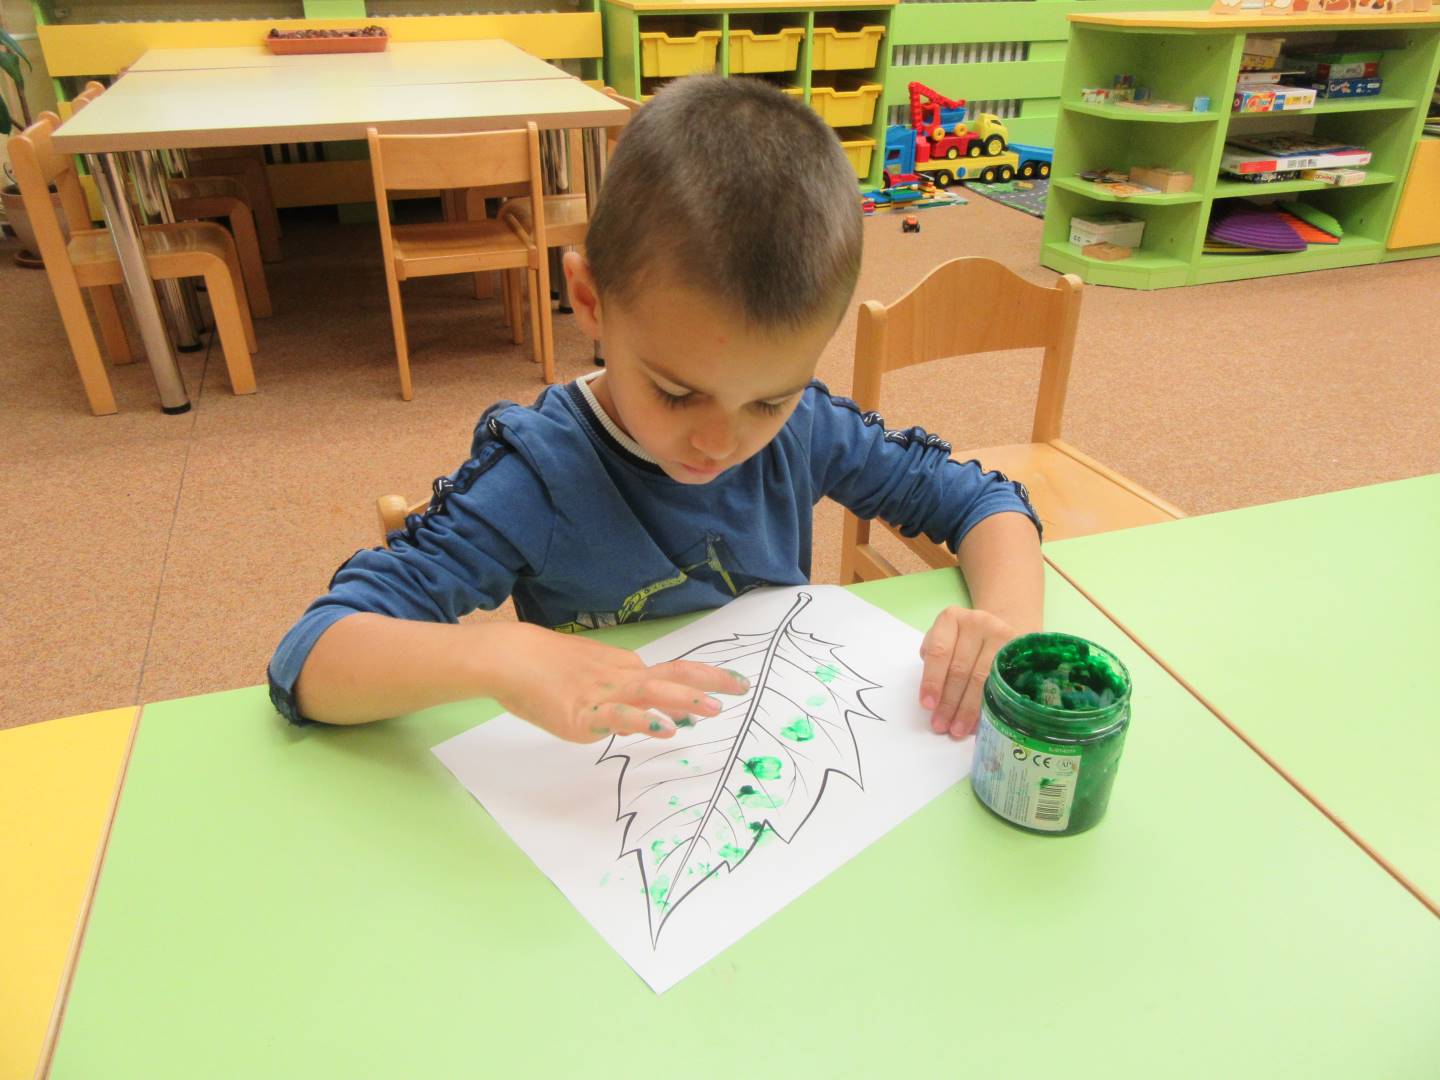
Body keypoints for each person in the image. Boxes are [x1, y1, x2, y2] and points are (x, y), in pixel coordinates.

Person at [268, 75, 1043, 744]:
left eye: (767, 399)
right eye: (676, 392)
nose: (719, 442)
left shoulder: (806, 426)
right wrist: (498, 656)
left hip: (763, 738)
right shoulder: (536, 474)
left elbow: (985, 502)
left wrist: (1006, 624)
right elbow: (309, 658)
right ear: (588, 301)